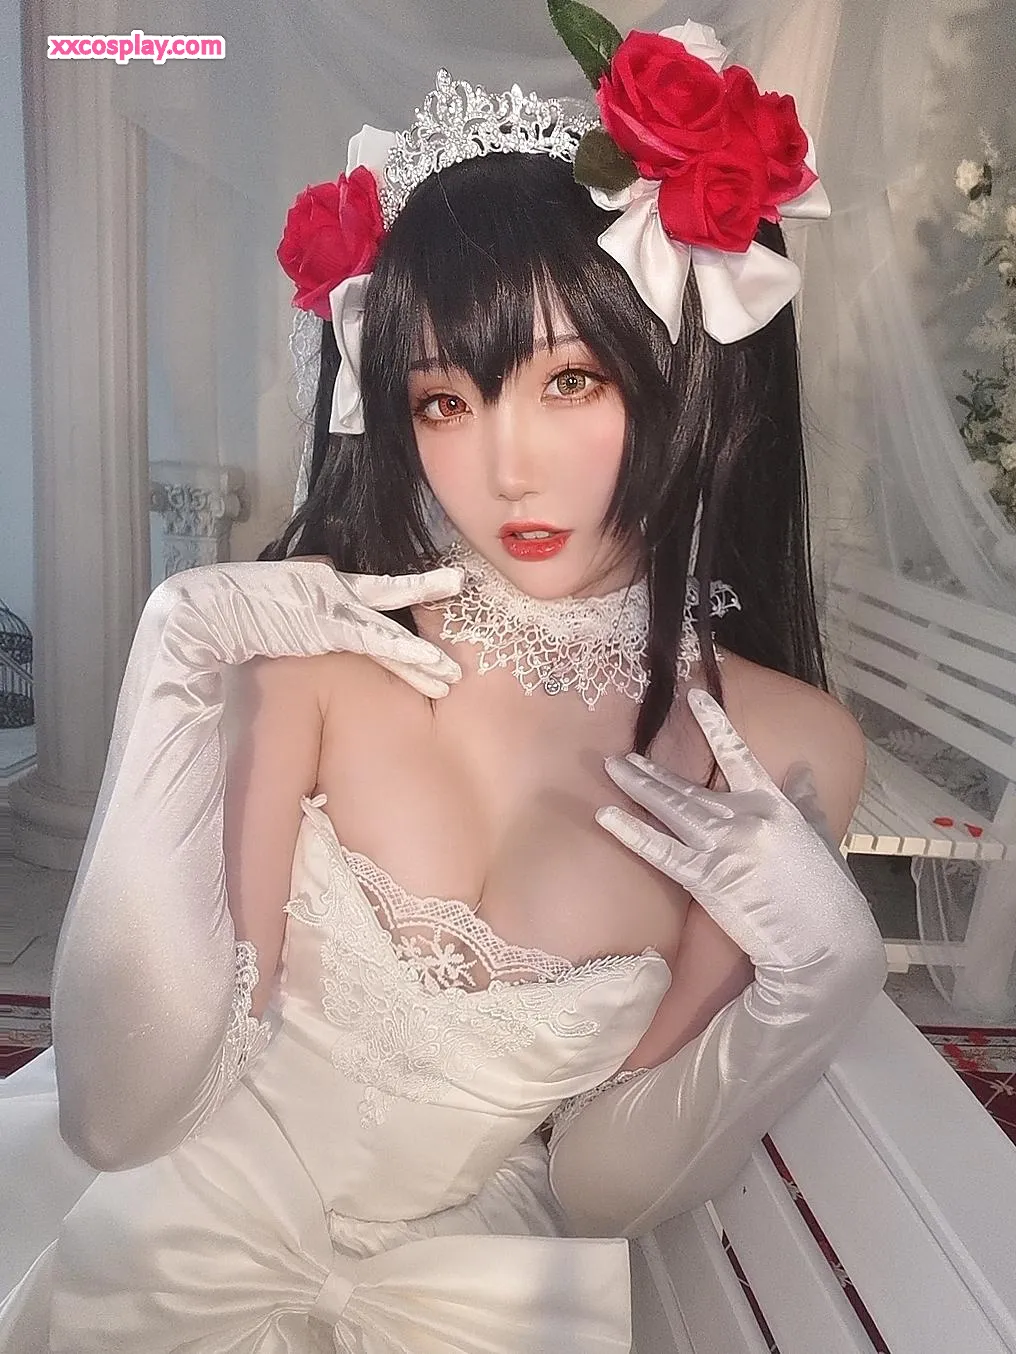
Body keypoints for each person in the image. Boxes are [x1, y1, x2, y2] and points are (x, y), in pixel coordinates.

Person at [0, 11, 886, 1350]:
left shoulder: (779, 738)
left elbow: (600, 1186)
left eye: (572, 382)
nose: (506, 468)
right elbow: (123, 1115)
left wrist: (814, 987)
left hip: (471, 1289)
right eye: (444, 403)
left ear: (688, 375)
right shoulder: (321, 650)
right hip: (171, 1211)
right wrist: (170, 660)